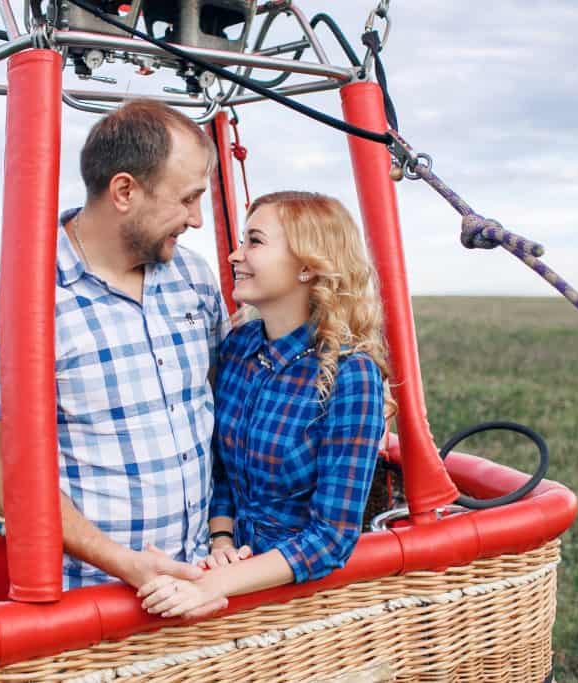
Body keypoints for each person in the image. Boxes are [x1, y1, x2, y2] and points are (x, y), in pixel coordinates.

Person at [0, 100, 228, 601]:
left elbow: (222, 407)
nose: (196, 220)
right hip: (93, 599)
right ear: (124, 190)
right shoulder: (11, 305)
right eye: (187, 199)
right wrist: (126, 564)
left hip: (201, 581)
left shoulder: (193, 278)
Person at [139, 191, 391, 619]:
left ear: (308, 266)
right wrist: (220, 541)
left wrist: (214, 584)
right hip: (226, 575)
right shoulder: (238, 348)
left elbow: (331, 537)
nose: (236, 255)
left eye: (255, 242)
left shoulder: (351, 375)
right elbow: (218, 467)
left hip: (297, 601)